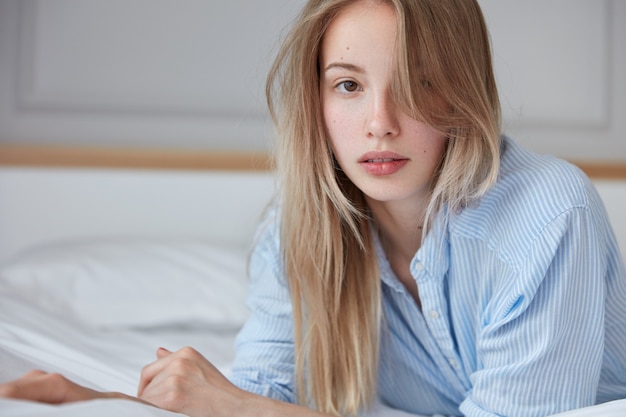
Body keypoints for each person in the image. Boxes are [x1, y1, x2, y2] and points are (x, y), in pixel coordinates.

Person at [1, 0, 625, 416]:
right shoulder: (296, 231)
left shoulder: (547, 215)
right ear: (318, 101)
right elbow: (260, 393)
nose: (380, 123)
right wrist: (104, 400)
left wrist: (240, 407)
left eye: (418, 81)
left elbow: (248, 410)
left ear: (463, 90)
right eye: (349, 85)